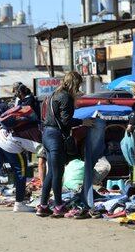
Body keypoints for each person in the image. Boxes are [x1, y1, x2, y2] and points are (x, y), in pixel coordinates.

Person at [36, 71, 94, 218]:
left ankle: (43, 206)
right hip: (56, 137)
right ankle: (58, 206)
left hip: (47, 135)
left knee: (51, 172)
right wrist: (83, 122)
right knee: (58, 172)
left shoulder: (53, 95)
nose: (79, 87)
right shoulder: (66, 97)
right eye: (79, 84)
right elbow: (66, 122)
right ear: (75, 83)